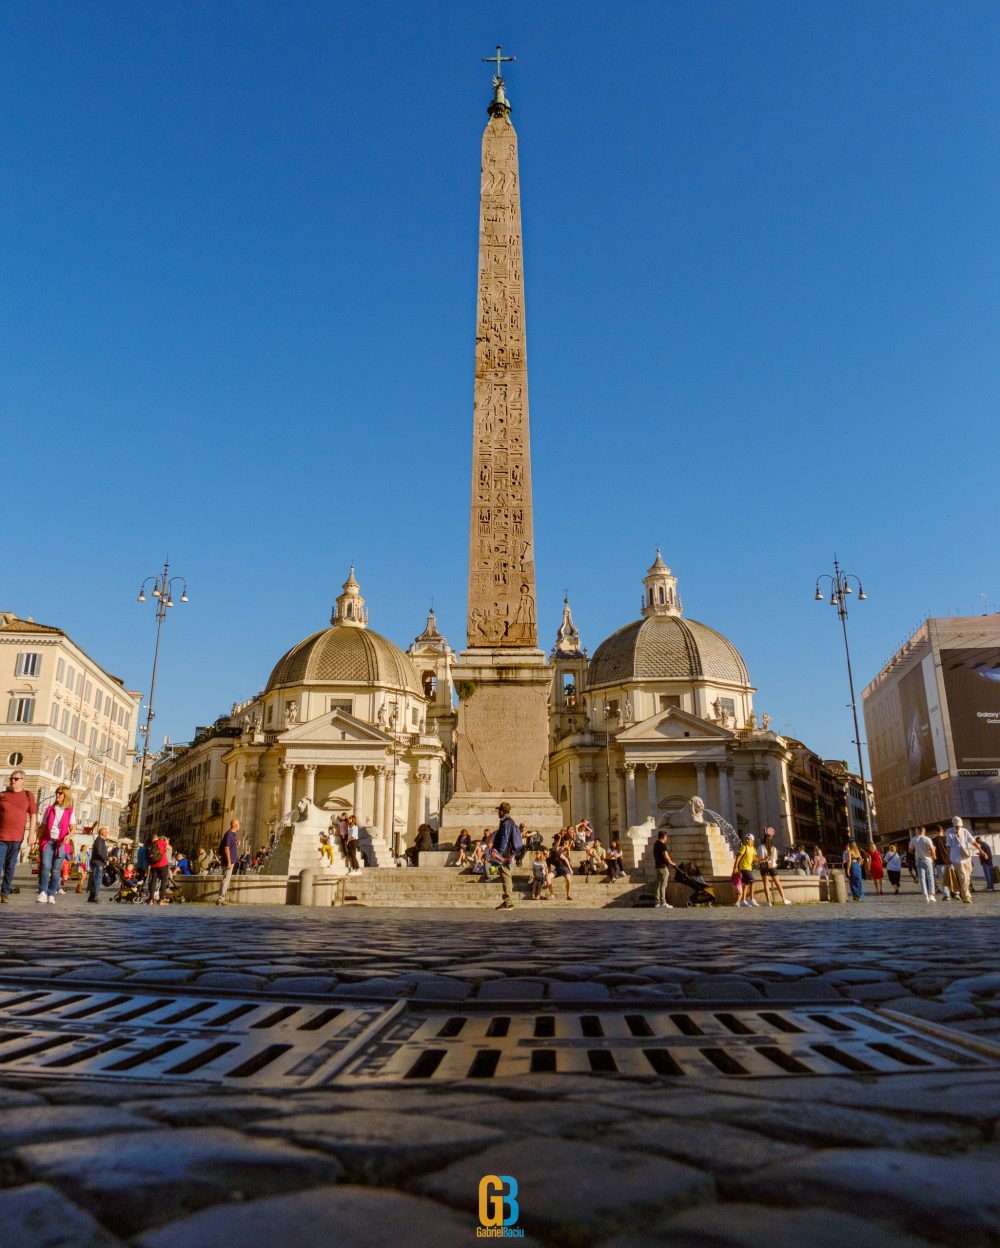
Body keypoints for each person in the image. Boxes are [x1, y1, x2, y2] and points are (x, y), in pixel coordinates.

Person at [0, 769, 36, 902]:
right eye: (11, 779)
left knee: (10, 866)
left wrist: (31, 834)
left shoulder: (27, 795)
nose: (12, 781)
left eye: (16, 779)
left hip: (17, 838)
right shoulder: (3, 795)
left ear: (22, 781)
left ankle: (4, 893)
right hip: (1, 837)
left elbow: (33, 815)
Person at [37, 785, 75, 904]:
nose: (57, 795)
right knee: (45, 866)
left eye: (60, 793)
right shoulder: (49, 809)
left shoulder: (69, 811)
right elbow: (43, 826)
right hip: (47, 841)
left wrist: (69, 836)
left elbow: (73, 828)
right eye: (57, 793)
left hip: (61, 843)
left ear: (66, 796)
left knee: (56, 870)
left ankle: (52, 893)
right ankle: (42, 892)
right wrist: (36, 840)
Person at [491, 801, 522, 910]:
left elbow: (504, 839)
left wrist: (499, 854)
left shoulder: (506, 823)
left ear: (502, 811)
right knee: (506, 876)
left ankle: (508, 902)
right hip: (508, 853)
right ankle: (507, 901)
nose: (497, 813)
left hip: (505, 854)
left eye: (498, 811)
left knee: (506, 877)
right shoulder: (509, 822)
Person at [945, 816, 977, 905]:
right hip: (956, 859)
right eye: (956, 826)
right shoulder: (949, 832)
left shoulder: (965, 831)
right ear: (953, 825)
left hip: (966, 858)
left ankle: (965, 894)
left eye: (959, 826)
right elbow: (948, 846)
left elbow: (973, 841)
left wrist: (982, 851)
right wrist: (948, 858)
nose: (958, 827)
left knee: (968, 877)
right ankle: (966, 896)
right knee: (963, 877)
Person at [757, 828, 792, 906]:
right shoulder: (774, 848)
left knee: (766, 885)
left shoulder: (761, 847)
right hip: (772, 867)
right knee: (778, 883)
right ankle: (784, 899)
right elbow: (775, 859)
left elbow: (759, 858)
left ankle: (768, 902)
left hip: (764, 867)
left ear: (764, 839)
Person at [910, 825, 936, 902]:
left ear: (918, 831)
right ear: (924, 831)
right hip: (927, 860)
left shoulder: (914, 839)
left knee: (922, 878)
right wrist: (933, 855)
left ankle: (925, 895)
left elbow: (910, 850)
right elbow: (932, 850)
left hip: (918, 860)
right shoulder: (927, 839)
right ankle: (931, 895)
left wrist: (917, 852)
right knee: (930, 877)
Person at [217, 819, 240, 905]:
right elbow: (226, 848)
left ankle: (222, 897)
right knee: (226, 879)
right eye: (238, 824)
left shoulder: (232, 835)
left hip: (231, 860)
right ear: (235, 825)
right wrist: (229, 862)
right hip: (228, 861)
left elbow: (229, 846)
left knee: (226, 879)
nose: (239, 825)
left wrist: (236, 843)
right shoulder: (229, 834)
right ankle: (221, 898)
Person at [653, 828, 677, 909]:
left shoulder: (656, 844)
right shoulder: (662, 845)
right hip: (663, 867)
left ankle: (657, 903)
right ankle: (663, 903)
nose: (666, 839)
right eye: (666, 837)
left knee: (658, 884)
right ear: (664, 836)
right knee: (663, 885)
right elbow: (666, 856)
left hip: (657, 866)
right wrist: (672, 863)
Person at [733, 833, 758, 907]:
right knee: (752, 881)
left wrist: (763, 859)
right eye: (746, 839)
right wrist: (735, 867)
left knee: (746, 884)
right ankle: (751, 899)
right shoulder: (744, 847)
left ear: (752, 840)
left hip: (749, 868)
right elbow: (738, 857)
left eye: (748, 839)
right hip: (744, 868)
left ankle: (743, 900)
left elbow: (754, 859)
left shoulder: (753, 849)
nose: (747, 840)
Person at [87, 826, 110, 903]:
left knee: (95, 880)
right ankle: (95, 896)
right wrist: (106, 858)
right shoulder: (100, 840)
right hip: (98, 863)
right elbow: (99, 852)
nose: (107, 834)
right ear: (102, 833)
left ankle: (92, 896)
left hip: (96, 862)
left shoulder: (99, 840)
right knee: (97, 880)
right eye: (106, 832)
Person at [147, 833, 170, 904]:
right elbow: (169, 848)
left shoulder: (150, 845)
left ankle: (151, 899)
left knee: (153, 881)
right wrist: (166, 842)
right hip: (163, 864)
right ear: (156, 837)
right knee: (163, 881)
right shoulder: (161, 842)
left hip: (154, 865)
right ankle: (161, 899)